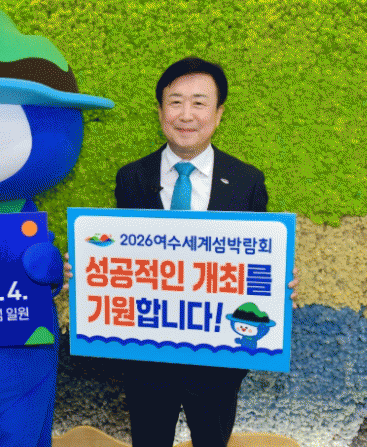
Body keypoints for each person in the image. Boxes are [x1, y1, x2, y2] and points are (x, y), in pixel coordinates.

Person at [64, 57, 299, 447]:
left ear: (218, 114)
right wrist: (89, 271)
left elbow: (256, 260)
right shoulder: (132, 178)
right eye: (175, 102)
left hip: (218, 359)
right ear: (160, 112)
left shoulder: (246, 181)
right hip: (148, 356)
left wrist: (277, 282)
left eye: (199, 103)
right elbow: (123, 253)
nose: (186, 114)